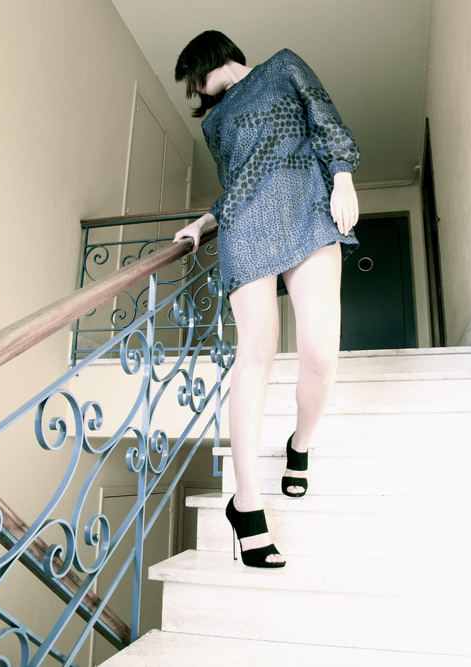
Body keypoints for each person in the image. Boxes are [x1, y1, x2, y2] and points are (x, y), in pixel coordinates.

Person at [173, 31, 360, 568]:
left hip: (307, 207)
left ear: (209, 59)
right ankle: (247, 503)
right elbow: (239, 181)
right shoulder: (214, 123)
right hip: (246, 229)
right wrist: (204, 222)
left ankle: (300, 443)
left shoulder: (282, 65)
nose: (195, 92)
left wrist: (343, 177)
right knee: (255, 352)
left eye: (193, 79)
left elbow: (323, 115)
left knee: (321, 355)